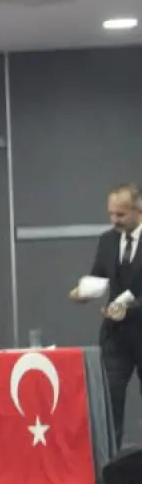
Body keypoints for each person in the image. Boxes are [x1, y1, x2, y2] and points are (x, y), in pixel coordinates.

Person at [69, 183, 142, 446]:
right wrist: (83, 293)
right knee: (110, 406)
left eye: (120, 214)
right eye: (111, 213)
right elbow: (98, 277)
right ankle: (111, 462)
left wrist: (130, 308)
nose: (114, 220)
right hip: (115, 337)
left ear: (139, 210)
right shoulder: (107, 240)